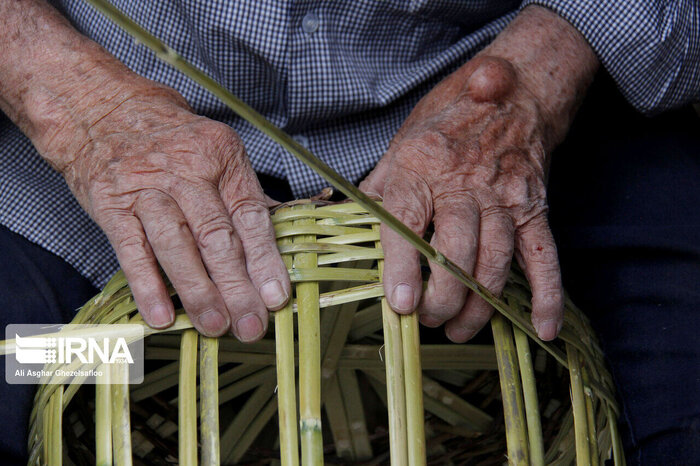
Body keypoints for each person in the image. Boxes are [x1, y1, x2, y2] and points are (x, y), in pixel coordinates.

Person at [0, 0, 698, 464]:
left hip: (510, 133)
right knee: (18, 363)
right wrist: (69, 99)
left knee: (675, 418)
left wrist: (532, 81)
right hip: (87, 141)